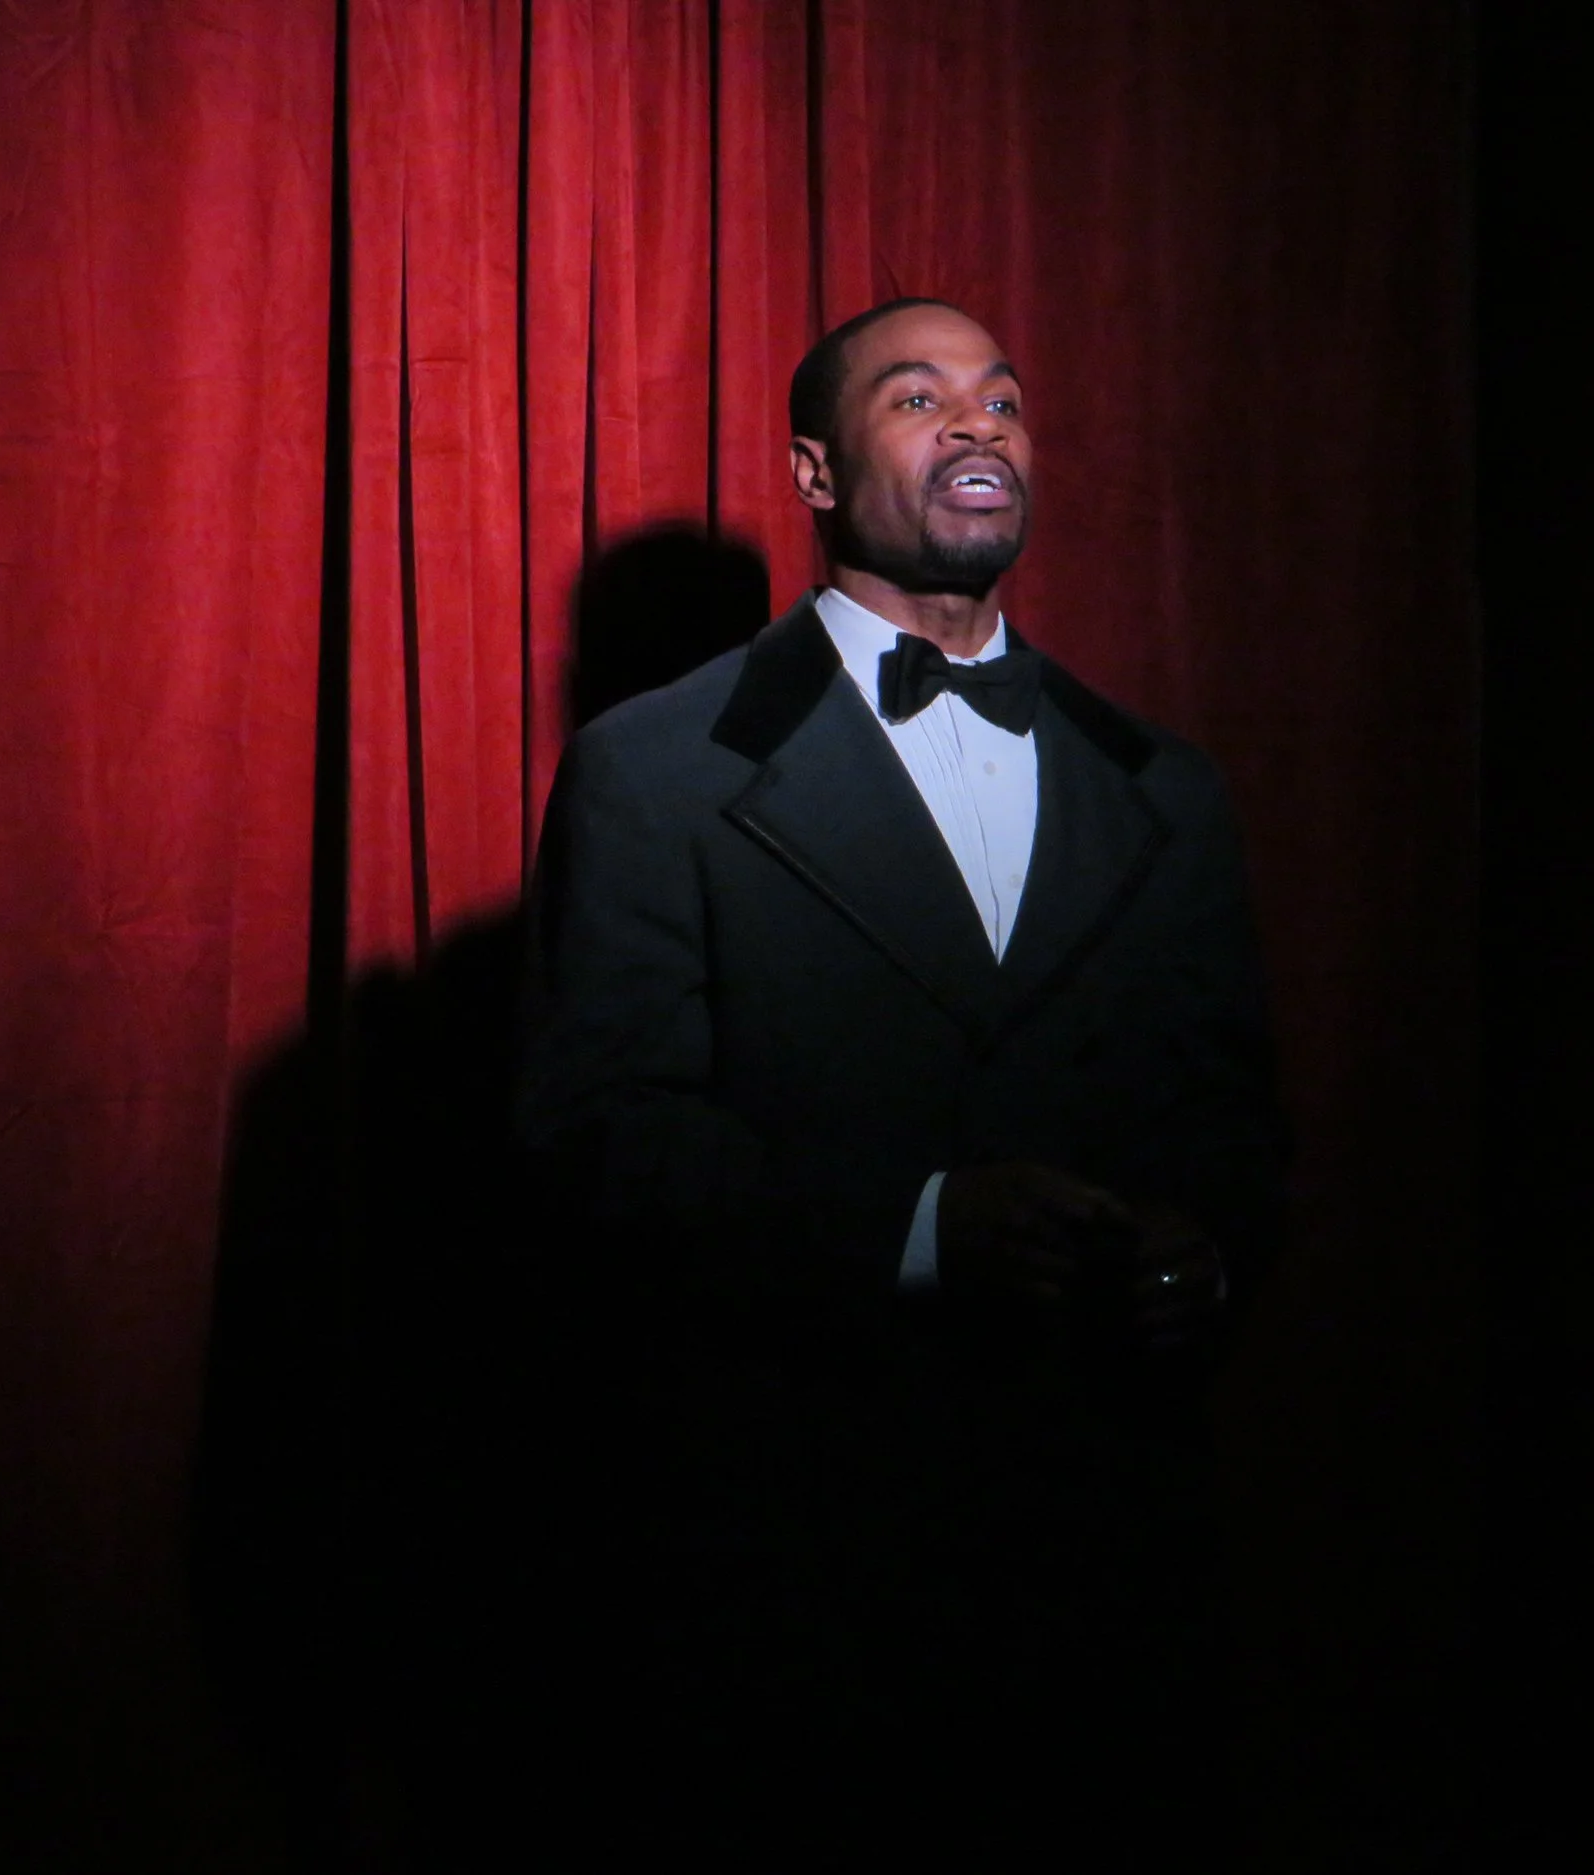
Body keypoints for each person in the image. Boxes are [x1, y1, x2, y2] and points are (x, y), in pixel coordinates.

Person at [518, 298, 1286, 1858]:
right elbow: (601, 1144)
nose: (980, 423)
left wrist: (1201, 1255)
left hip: (1106, 1585)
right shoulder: (654, 770)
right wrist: (923, 1229)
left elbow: (1234, 1123)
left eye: (1003, 398)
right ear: (813, 467)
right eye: (919, 396)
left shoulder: (1165, 785)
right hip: (795, 1591)